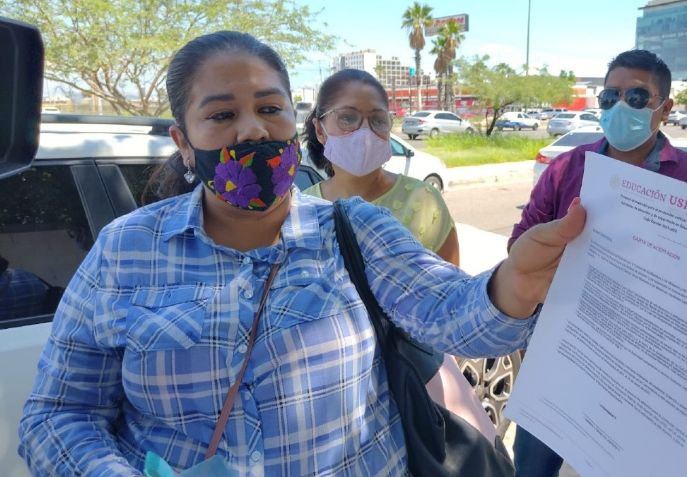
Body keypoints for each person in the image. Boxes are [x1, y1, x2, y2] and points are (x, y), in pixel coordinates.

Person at [18, 31, 586, 476]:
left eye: (270, 108)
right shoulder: (126, 250)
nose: (251, 130)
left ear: (294, 121)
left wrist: (517, 281)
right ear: (184, 142)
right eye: (221, 116)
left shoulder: (353, 229)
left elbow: (455, 315)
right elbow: (58, 414)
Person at [509, 49, 687, 477]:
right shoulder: (567, 167)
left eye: (638, 97)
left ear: (666, 108)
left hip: (644, 362)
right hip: (560, 347)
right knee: (534, 465)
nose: (621, 106)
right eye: (610, 96)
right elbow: (519, 245)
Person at [301, 68, 495, 443]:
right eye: (348, 118)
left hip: (414, 384)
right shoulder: (302, 210)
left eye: (377, 120)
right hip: (335, 393)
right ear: (321, 129)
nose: (364, 131)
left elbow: (449, 297)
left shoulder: (423, 201)